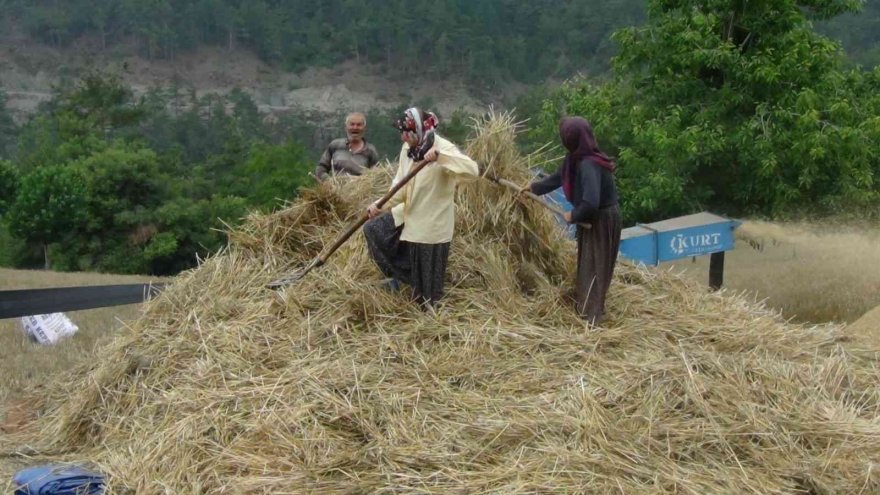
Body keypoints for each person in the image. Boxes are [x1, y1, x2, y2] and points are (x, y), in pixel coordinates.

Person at [362, 107, 479, 309]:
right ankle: (402, 277)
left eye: (406, 133)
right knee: (373, 230)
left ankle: (423, 291)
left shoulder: (443, 148)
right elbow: (400, 184)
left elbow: (472, 171)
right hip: (408, 214)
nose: (402, 138)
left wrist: (441, 157)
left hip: (431, 226)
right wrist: (380, 205)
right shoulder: (409, 150)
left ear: (418, 129)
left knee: (426, 300)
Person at [524, 117, 621, 325]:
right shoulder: (574, 159)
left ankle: (591, 318)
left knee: (595, 265)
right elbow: (558, 178)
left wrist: (573, 215)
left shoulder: (589, 164)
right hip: (592, 218)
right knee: (588, 263)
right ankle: (586, 309)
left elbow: (591, 202)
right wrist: (534, 188)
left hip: (601, 220)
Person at [315, 112, 380, 181]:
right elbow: (321, 168)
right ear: (346, 128)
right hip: (335, 190)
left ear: (364, 128)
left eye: (359, 125)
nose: (355, 127)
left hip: (358, 190)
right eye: (352, 124)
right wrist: (329, 181)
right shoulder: (335, 145)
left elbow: (376, 177)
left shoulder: (371, 150)